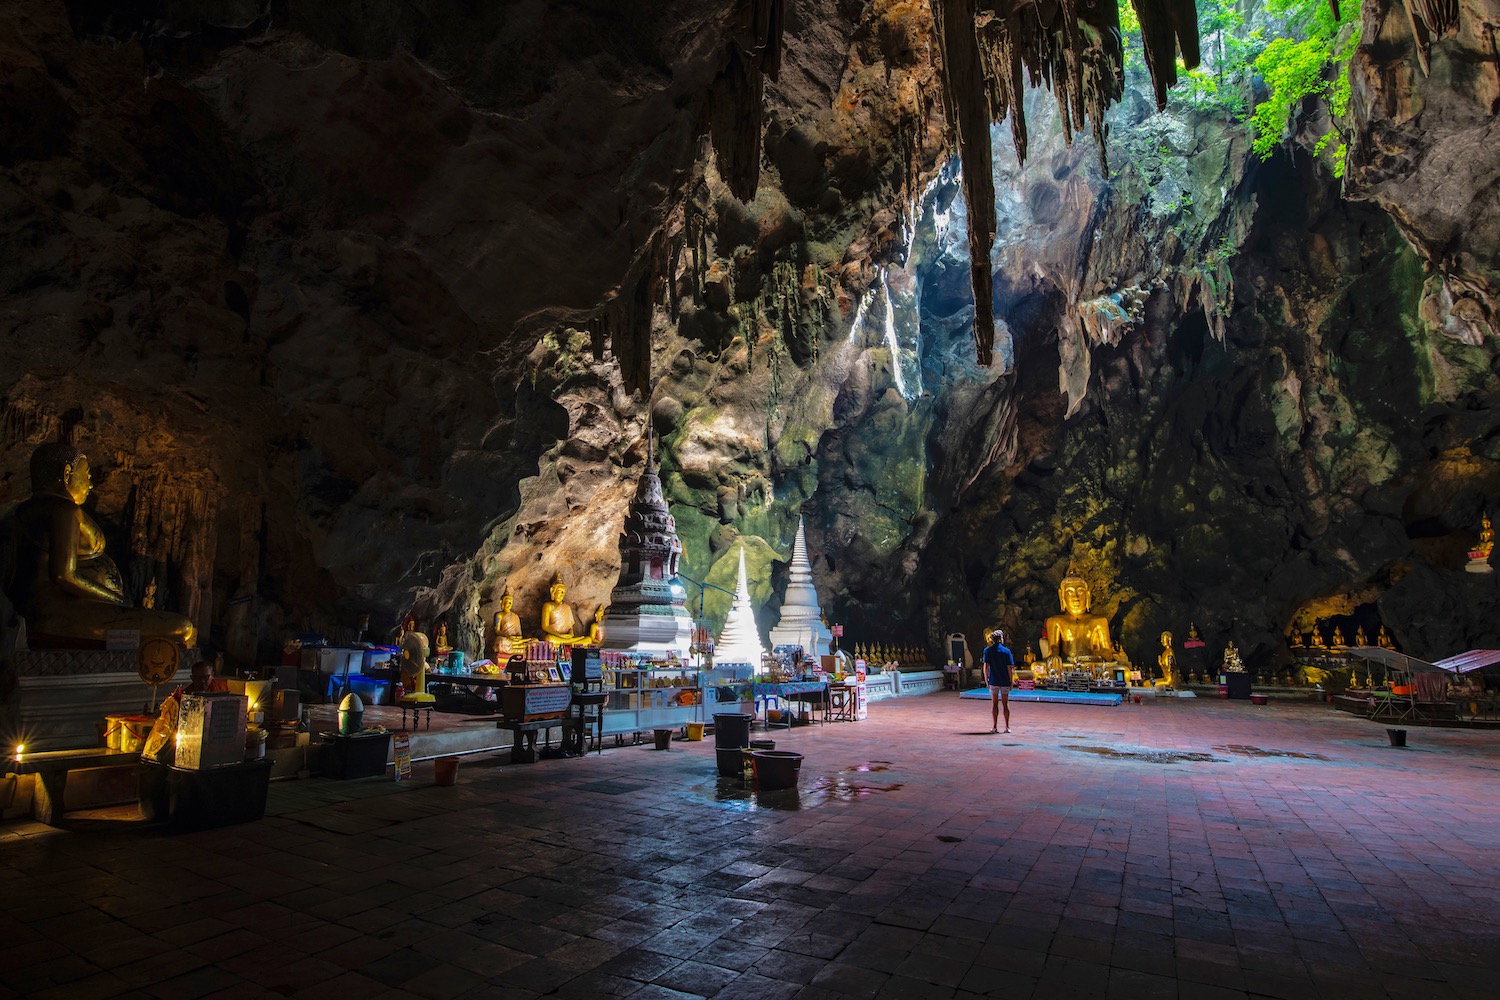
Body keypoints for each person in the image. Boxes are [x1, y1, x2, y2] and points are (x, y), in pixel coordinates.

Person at [10, 442, 196, 647]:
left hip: (43, 609)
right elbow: (64, 575)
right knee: (183, 626)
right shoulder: (64, 510)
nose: (90, 485)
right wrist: (116, 599)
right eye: (87, 475)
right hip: (61, 611)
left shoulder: (22, 511)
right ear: (66, 473)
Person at [982, 628, 1015, 734]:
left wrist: (986, 679)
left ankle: (995, 726)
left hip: (993, 680)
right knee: (1005, 704)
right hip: (1005, 680)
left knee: (994, 704)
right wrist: (1011, 681)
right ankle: (1007, 727)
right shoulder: (1006, 651)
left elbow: (985, 666)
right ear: (1001, 639)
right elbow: (1010, 668)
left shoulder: (987, 651)